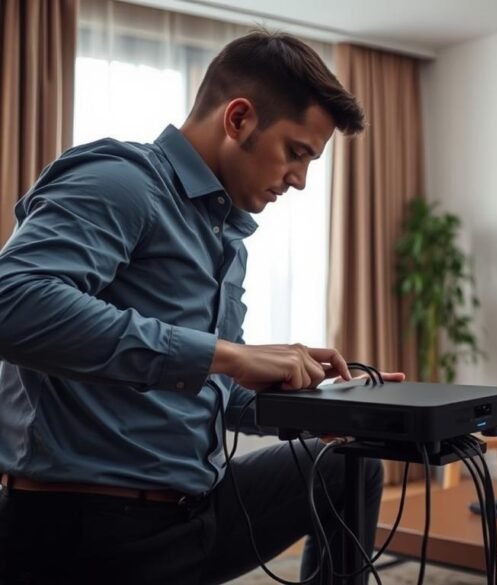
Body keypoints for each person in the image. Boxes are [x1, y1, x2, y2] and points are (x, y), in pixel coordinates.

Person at [0, 31, 403, 585]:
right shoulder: (121, 181)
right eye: (296, 152)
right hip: (89, 527)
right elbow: (13, 304)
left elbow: (209, 390)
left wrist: (318, 405)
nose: (301, 181)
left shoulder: (224, 238)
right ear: (238, 119)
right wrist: (229, 355)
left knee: (346, 468)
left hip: (196, 511)